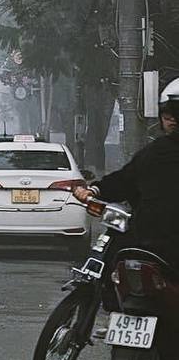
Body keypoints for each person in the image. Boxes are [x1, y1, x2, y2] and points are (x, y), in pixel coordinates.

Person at [73, 79, 179, 269]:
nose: (172, 120)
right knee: (102, 267)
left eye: (177, 114)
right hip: (151, 245)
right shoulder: (154, 153)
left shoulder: (156, 152)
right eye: (168, 115)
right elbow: (125, 179)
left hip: (155, 244)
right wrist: (94, 190)